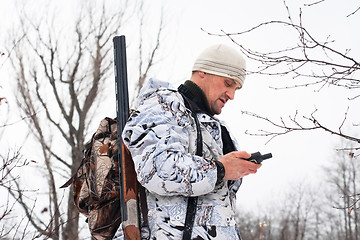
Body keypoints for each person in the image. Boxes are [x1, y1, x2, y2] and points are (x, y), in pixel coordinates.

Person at [114, 44, 262, 239]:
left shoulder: (216, 126)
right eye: (228, 83)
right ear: (203, 72)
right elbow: (157, 168)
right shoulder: (163, 105)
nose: (232, 95)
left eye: (236, 89)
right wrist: (220, 169)